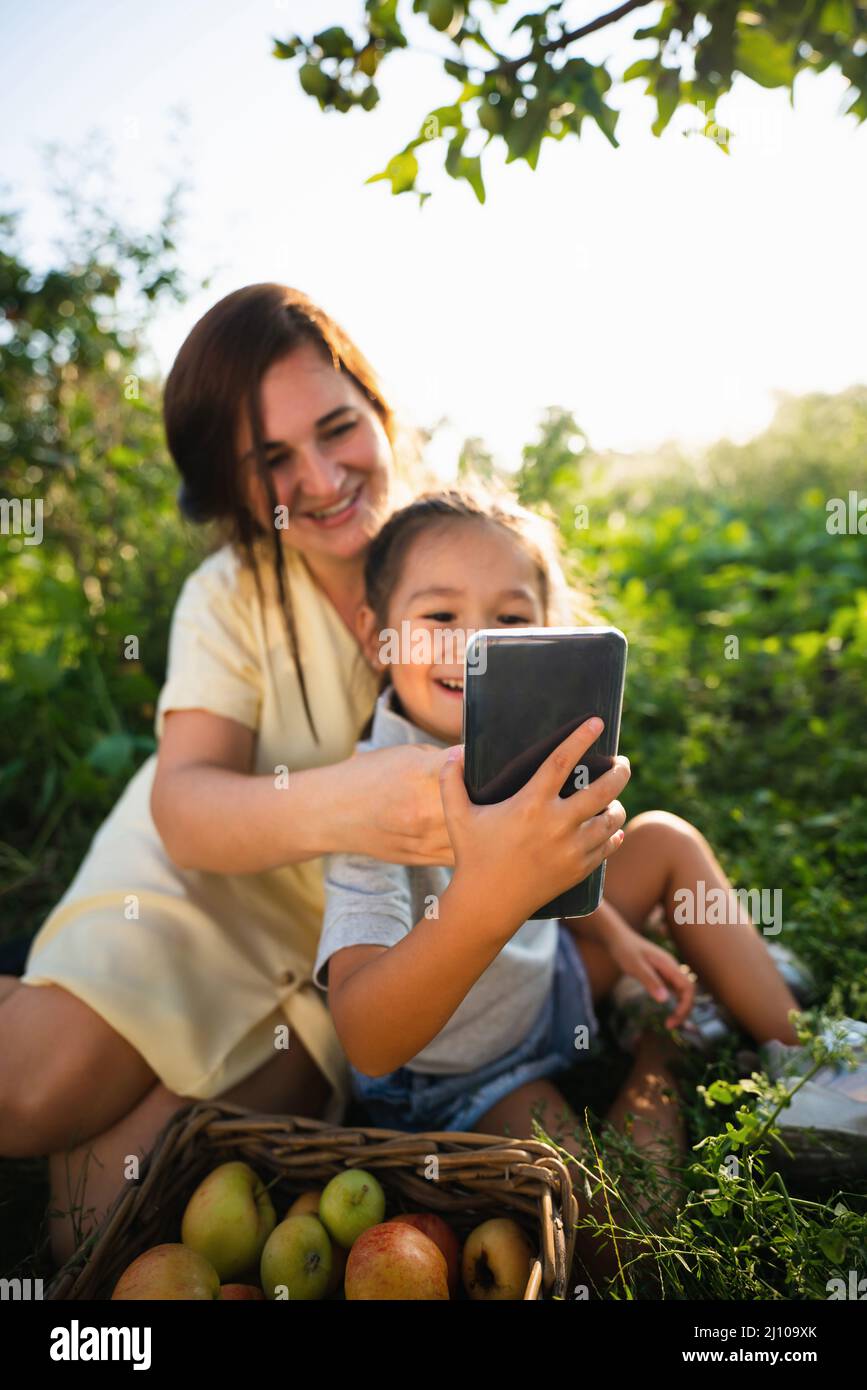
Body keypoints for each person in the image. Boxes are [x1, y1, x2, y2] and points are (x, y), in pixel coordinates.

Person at [0, 284, 463, 1267]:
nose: (326, 476)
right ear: (235, 485)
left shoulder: (457, 563)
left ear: (378, 411)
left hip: (332, 950)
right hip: (185, 889)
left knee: (101, 1226)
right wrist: (355, 800)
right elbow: (186, 803)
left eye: (339, 429)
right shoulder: (231, 593)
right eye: (275, 461)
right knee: (26, 1094)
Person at [312, 483, 807, 1258]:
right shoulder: (369, 803)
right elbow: (369, 1039)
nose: (474, 645)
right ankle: (659, 1047)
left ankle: (810, 1060)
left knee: (664, 840)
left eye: (509, 622)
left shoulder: (529, 749)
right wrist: (484, 897)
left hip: (549, 981)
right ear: (378, 636)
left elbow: (558, 874)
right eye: (440, 616)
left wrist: (613, 929)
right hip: (467, 1074)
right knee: (623, 1231)